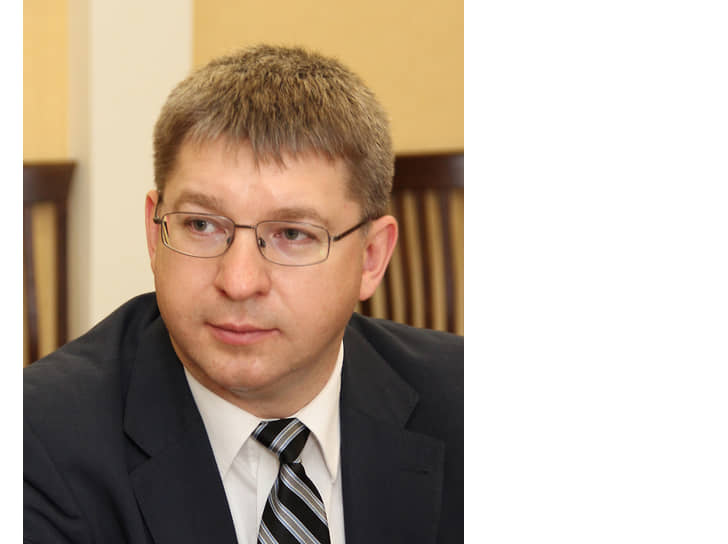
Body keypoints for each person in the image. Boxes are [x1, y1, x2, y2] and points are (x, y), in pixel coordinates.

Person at [24, 44, 463, 544]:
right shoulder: (39, 442)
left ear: (371, 258)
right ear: (155, 234)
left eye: (292, 234)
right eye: (202, 225)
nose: (237, 281)